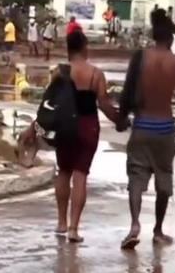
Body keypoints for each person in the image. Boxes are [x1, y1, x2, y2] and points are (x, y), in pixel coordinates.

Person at [119, 9, 175, 250]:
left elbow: (127, 91)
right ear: (170, 39)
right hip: (165, 129)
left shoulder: (140, 57)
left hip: (142, 126)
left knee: (137, 178)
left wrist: (121, 117)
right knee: (164, 179)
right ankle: (158, 230)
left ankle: (135, 225)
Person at [55, 30, 122, 243]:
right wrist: (120, 120)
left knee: (63, 172)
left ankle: (61, 223)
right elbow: (104, 105)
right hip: (87, 126)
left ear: (68, 49)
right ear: (85, 48)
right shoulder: (96, 74)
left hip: (64, 126)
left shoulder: (60, 72)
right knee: (80, 175)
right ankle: (74, 228)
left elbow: (51, 103)